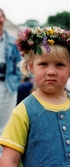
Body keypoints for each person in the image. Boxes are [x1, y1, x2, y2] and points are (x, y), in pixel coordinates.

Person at [0, 26, 70, 167]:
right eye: (43, 64)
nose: (51, 72)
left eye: (60, 65)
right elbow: (9, 160)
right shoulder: (23, 111)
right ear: (31, 67)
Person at [0, 9, 21, 154]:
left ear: (4, 19)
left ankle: (2, 157)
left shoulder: (13, 43)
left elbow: (19, 65)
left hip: (8, 85)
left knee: (6, 123)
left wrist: (15, 80)